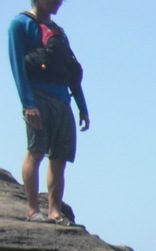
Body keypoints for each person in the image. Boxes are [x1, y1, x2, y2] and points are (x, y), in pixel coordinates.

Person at [8, 0, 89, 225]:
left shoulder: (58, 32)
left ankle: (55, 212)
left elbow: (70, 71)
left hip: (62, 100)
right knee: (36, 151)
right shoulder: (20, 24)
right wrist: (28, 104)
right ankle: (33, 210)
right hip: (38, 97)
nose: (59, 2)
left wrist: (82, 107)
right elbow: (17, 68)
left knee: (60, 157)